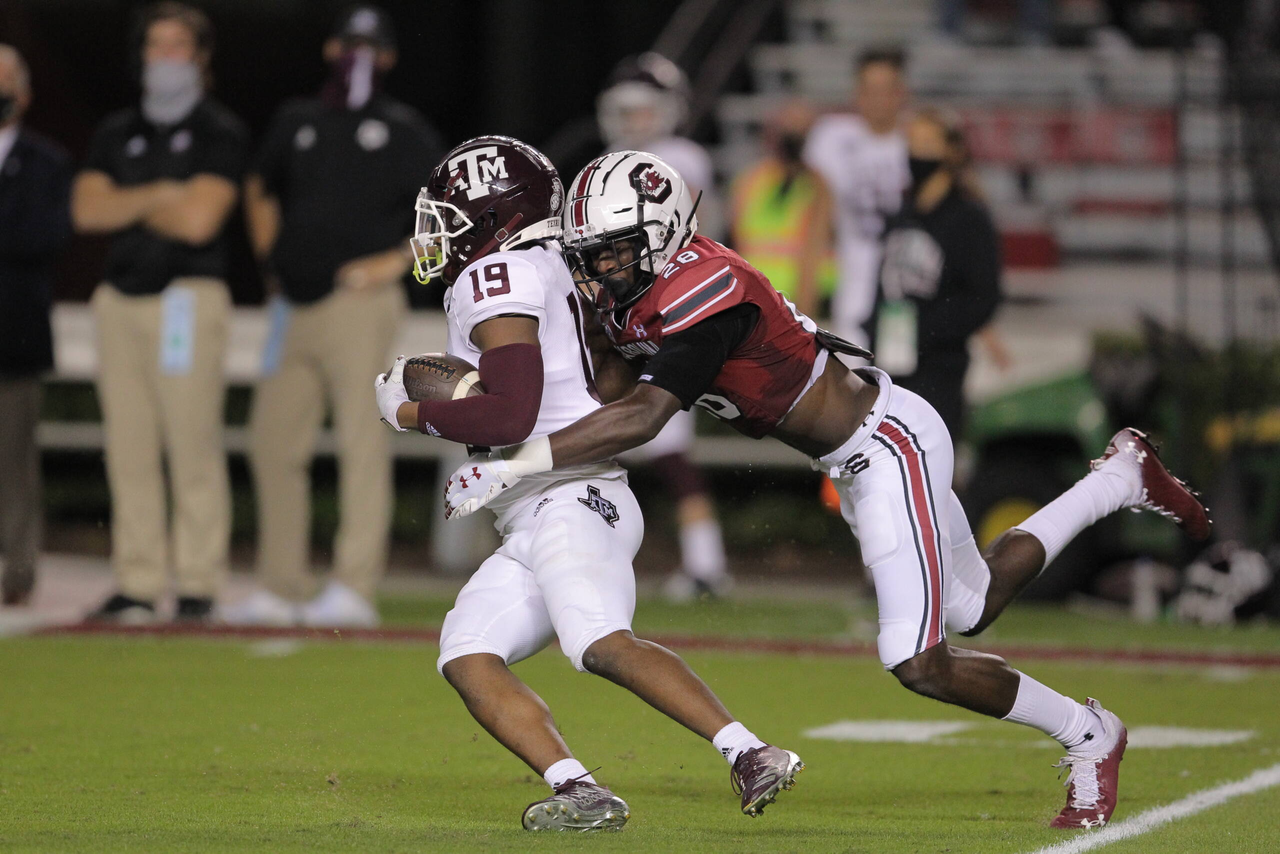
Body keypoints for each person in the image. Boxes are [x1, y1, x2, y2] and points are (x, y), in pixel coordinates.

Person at [444, 150, 1214, 829]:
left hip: (885, 442)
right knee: (972, 606)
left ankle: (1088, 732)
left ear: (662, 234)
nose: (597, 269)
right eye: (588, 254)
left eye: (612, 252)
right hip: (858, 456)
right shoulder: (633, 289)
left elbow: (643, 416)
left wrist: (514, 463)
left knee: (915, 660)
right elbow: (605, 382)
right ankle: (1118, 478)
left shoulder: (706, 292)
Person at [374, 136, 803, 831]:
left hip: (573, 494)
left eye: (452, 217)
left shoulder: (498, 275)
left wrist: (410, 411)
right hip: (539, 509)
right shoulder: (554, 263)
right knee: (466, 652)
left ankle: (750, 751)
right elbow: (601, 376)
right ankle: (579, 790)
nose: (440, 234)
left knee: (597, 641)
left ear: (493, 218)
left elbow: (512, 410)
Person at [224, 4, 444, 628]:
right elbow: (259, 186)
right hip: (291, 305)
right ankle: (281, 585)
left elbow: (450, 216)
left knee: (361, 442)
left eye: (371, 48)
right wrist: (272, 260)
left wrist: (391, 265)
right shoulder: (298, 118)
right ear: (330, 49)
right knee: (272, 443)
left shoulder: (402, 129)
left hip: (359, 306)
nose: (358, 57)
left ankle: (354, 586)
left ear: (390, 59)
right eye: (349, 44)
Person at [71, 2, 247, 623]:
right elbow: (87, 210)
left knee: (191, 441)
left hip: (186, 302)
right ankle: (138, 581)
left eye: (177, 46)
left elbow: (200, 220)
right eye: (155, 46)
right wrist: (164, 194)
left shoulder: (217, 131)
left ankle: (198, 581)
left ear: (199, 57)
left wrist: (128, 199)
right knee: (128, 447)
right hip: (120, 301)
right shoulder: (116, 131)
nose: (164, 58)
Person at [597, 53, 731, 600]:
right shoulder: (613, 159)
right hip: (626, 318)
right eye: (626, 111)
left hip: (672, 312)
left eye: (645, 110)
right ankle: (690, 561)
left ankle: (705, 564)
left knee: (664, 448)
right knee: (610, 445)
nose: (635, 121)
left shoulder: (678, 158)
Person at [870, 108, 1002, 439]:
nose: (916, 153)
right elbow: (885, 284)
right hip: (892, 365)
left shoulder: (969, 218)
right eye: (911, 142)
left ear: (951, 151)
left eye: (927, 143)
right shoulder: (902, 213)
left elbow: (984, 298)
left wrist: (927, 332)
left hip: (939, 371)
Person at [0, 45, 73, 607]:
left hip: (13, 336)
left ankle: (18, 572)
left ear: (22, 95)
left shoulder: (46, 161)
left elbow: (44, 240)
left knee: (13, 462)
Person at [804, 47, 910, 348]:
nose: (877, 99)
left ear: (902, 93)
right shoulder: (833, 138)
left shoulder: (919, 140)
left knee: (905, 383)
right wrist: (804, 302)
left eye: (885, 90)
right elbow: (818, 223)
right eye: (868, 89)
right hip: (855, 286)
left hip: (907, 287)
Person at [729, 100, 835, 320]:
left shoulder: (816, 186)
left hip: (793, 307)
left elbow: (812, 257)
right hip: (754, 303)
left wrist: (802, 320)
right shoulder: (749, 182)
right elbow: (737, 247)